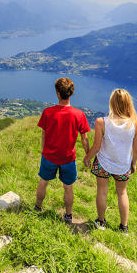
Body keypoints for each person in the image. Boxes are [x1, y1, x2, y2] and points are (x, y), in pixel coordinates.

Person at [83, 88, 137, 233]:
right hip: (123, 165)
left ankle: (101, 222)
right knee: (122, 193)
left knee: (102, 191)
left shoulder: (101, 122)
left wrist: (87, 158)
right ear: (128, 103)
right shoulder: (136, 124)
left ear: (112, 103)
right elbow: (136, 150)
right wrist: (133, 164)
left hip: (103, 163)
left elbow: (96, 147)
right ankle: (124, 227)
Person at [34, 77, 90, 223]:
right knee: (68, 187)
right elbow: (84, 139)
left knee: (43, 181)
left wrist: (43, 150)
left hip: (49, 156)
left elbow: (44, 134)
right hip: (68, 159)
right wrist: (88, 155)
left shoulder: (48, 112)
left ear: (58, 93)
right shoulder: (79, 115)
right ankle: (68, 215)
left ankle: (37, 208)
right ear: (71, 93)